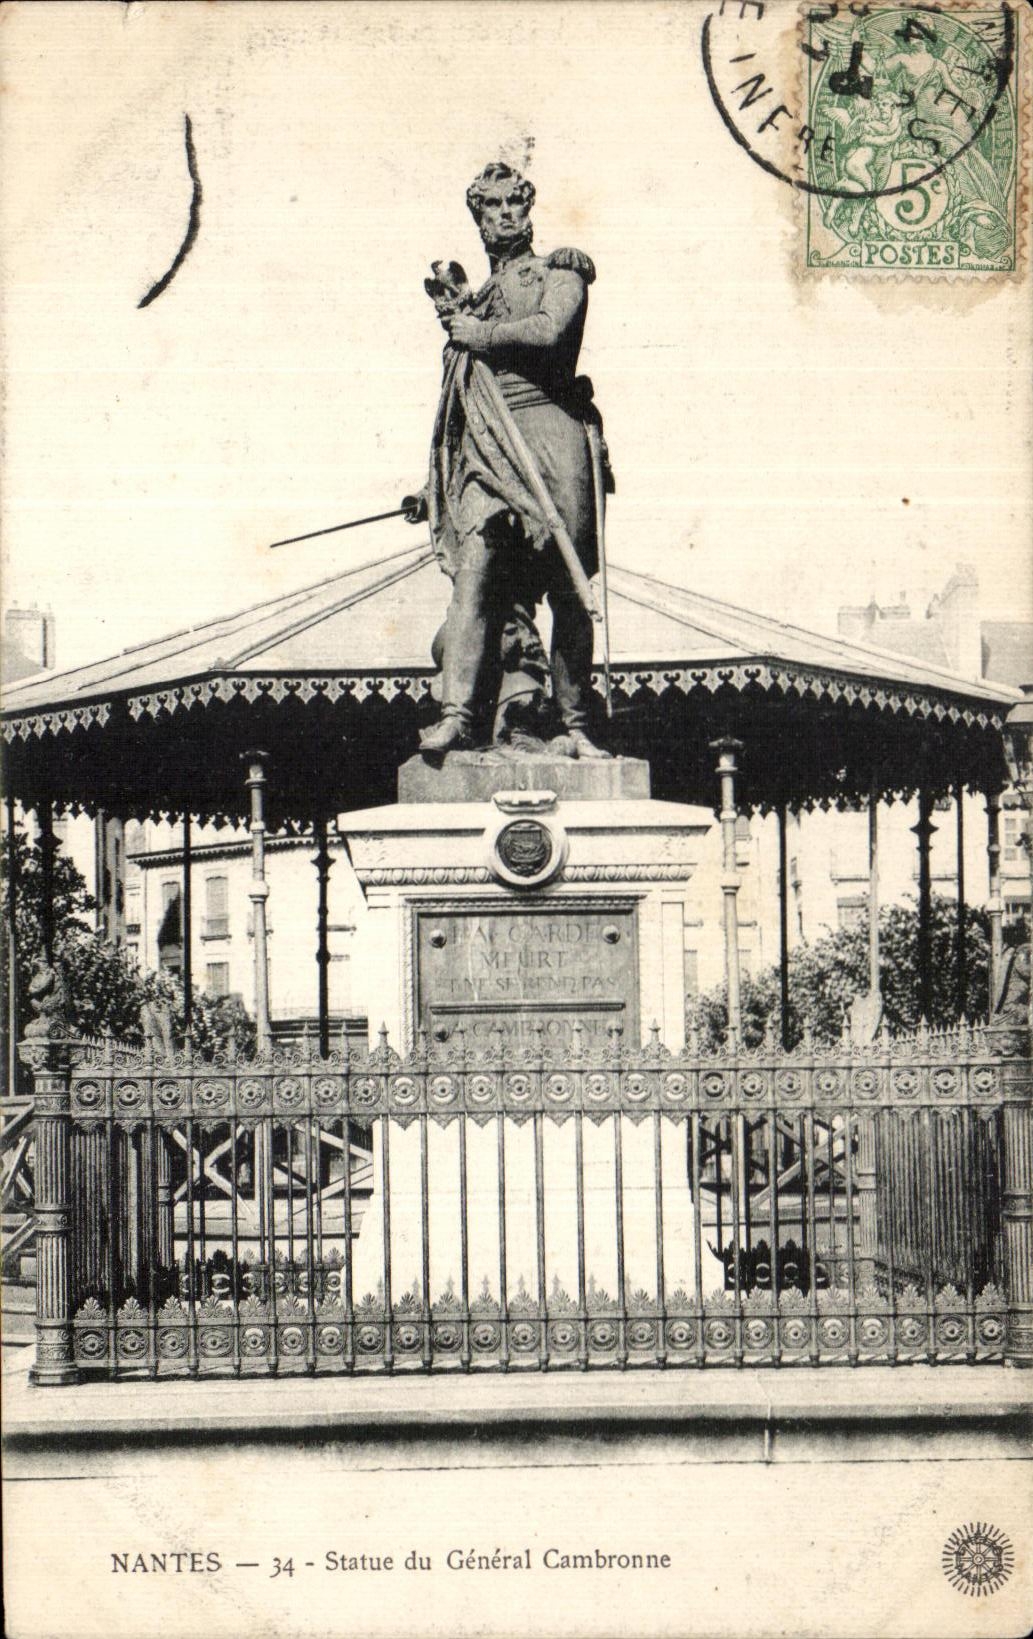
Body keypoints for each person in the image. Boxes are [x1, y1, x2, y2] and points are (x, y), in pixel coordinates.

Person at [404, 162, 611, 757]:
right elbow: (458, 404)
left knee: (568, 585)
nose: (504, 215)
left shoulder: (559, 271)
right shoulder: (473, 305)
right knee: (477, 571)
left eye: (513, 203)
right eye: (491, 207)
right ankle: (456, 713)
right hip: (485, 447)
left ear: (529, 209)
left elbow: (551, 331)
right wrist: (431, 487)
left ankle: (574, 726)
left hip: (548, 428)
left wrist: (482, 335)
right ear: (478, 219)